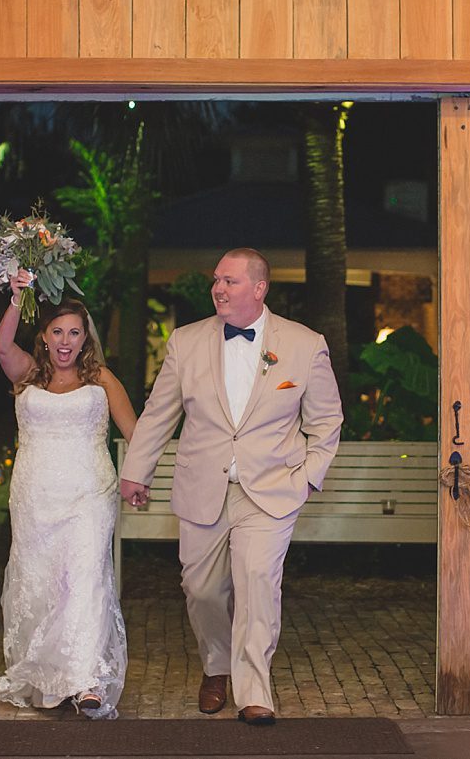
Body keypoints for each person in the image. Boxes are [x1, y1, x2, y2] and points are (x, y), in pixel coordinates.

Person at [119, 248, 343, 726]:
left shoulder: (305, 344)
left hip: (271, 492)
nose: (218, 288)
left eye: (231, 281)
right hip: (203, 487)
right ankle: (216, 666)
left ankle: (254, 690)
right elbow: (159, 414)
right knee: (200, 590)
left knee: (258, 583)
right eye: (216, 280)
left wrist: (306, 479)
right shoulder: (186, 341)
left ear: (259, 288)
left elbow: (326, 422)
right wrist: (137, 469)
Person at [0, 269, 137, 720]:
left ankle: (88, 679)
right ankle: (51, 675)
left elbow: (136, 433)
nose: (66, 340)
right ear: (44, 335)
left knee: (87, 579)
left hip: (90, 495)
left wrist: (138, 478)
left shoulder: (102, 380)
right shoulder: (28, 375)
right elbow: (1, 346)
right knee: (45, 583)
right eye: (58, 331)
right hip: (35, 497)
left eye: (75, 332)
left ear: (85, 337)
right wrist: (17, 297)